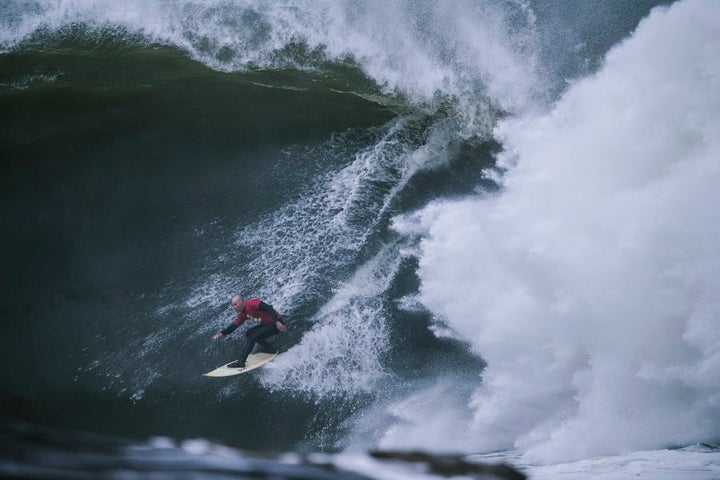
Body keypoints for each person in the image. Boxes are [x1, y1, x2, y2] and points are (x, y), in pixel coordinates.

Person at [212, 295, 287, 368]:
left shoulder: (252, 303)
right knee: (249, 333)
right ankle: (271, 348)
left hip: (276, 323)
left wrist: (277, 322)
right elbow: (233, 326)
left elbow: (269, 308)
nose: (234, 307)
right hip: (266, 324)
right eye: (232, 305)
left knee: (253, 337)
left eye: (235, 304)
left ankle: (241, 362)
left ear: (242, 302)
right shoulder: (244, 314)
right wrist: (222, 333)